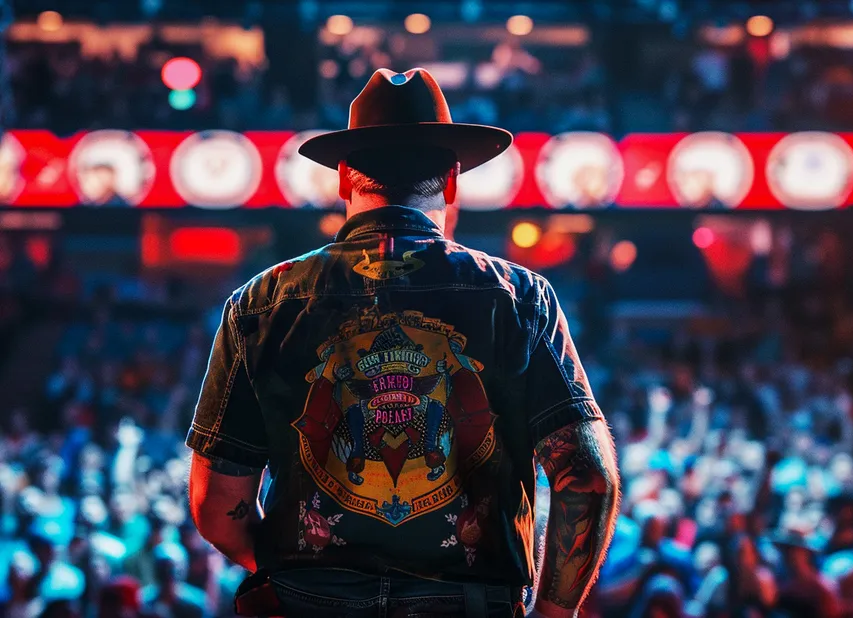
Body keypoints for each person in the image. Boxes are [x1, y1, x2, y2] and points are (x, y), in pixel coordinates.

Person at [186, 68, 620, 618]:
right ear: (453, 181)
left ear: (344, 178)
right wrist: (555, 614)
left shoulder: (262, 304)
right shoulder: (517, 297)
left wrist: (302, 573)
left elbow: (216, 502)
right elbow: (587, 476)